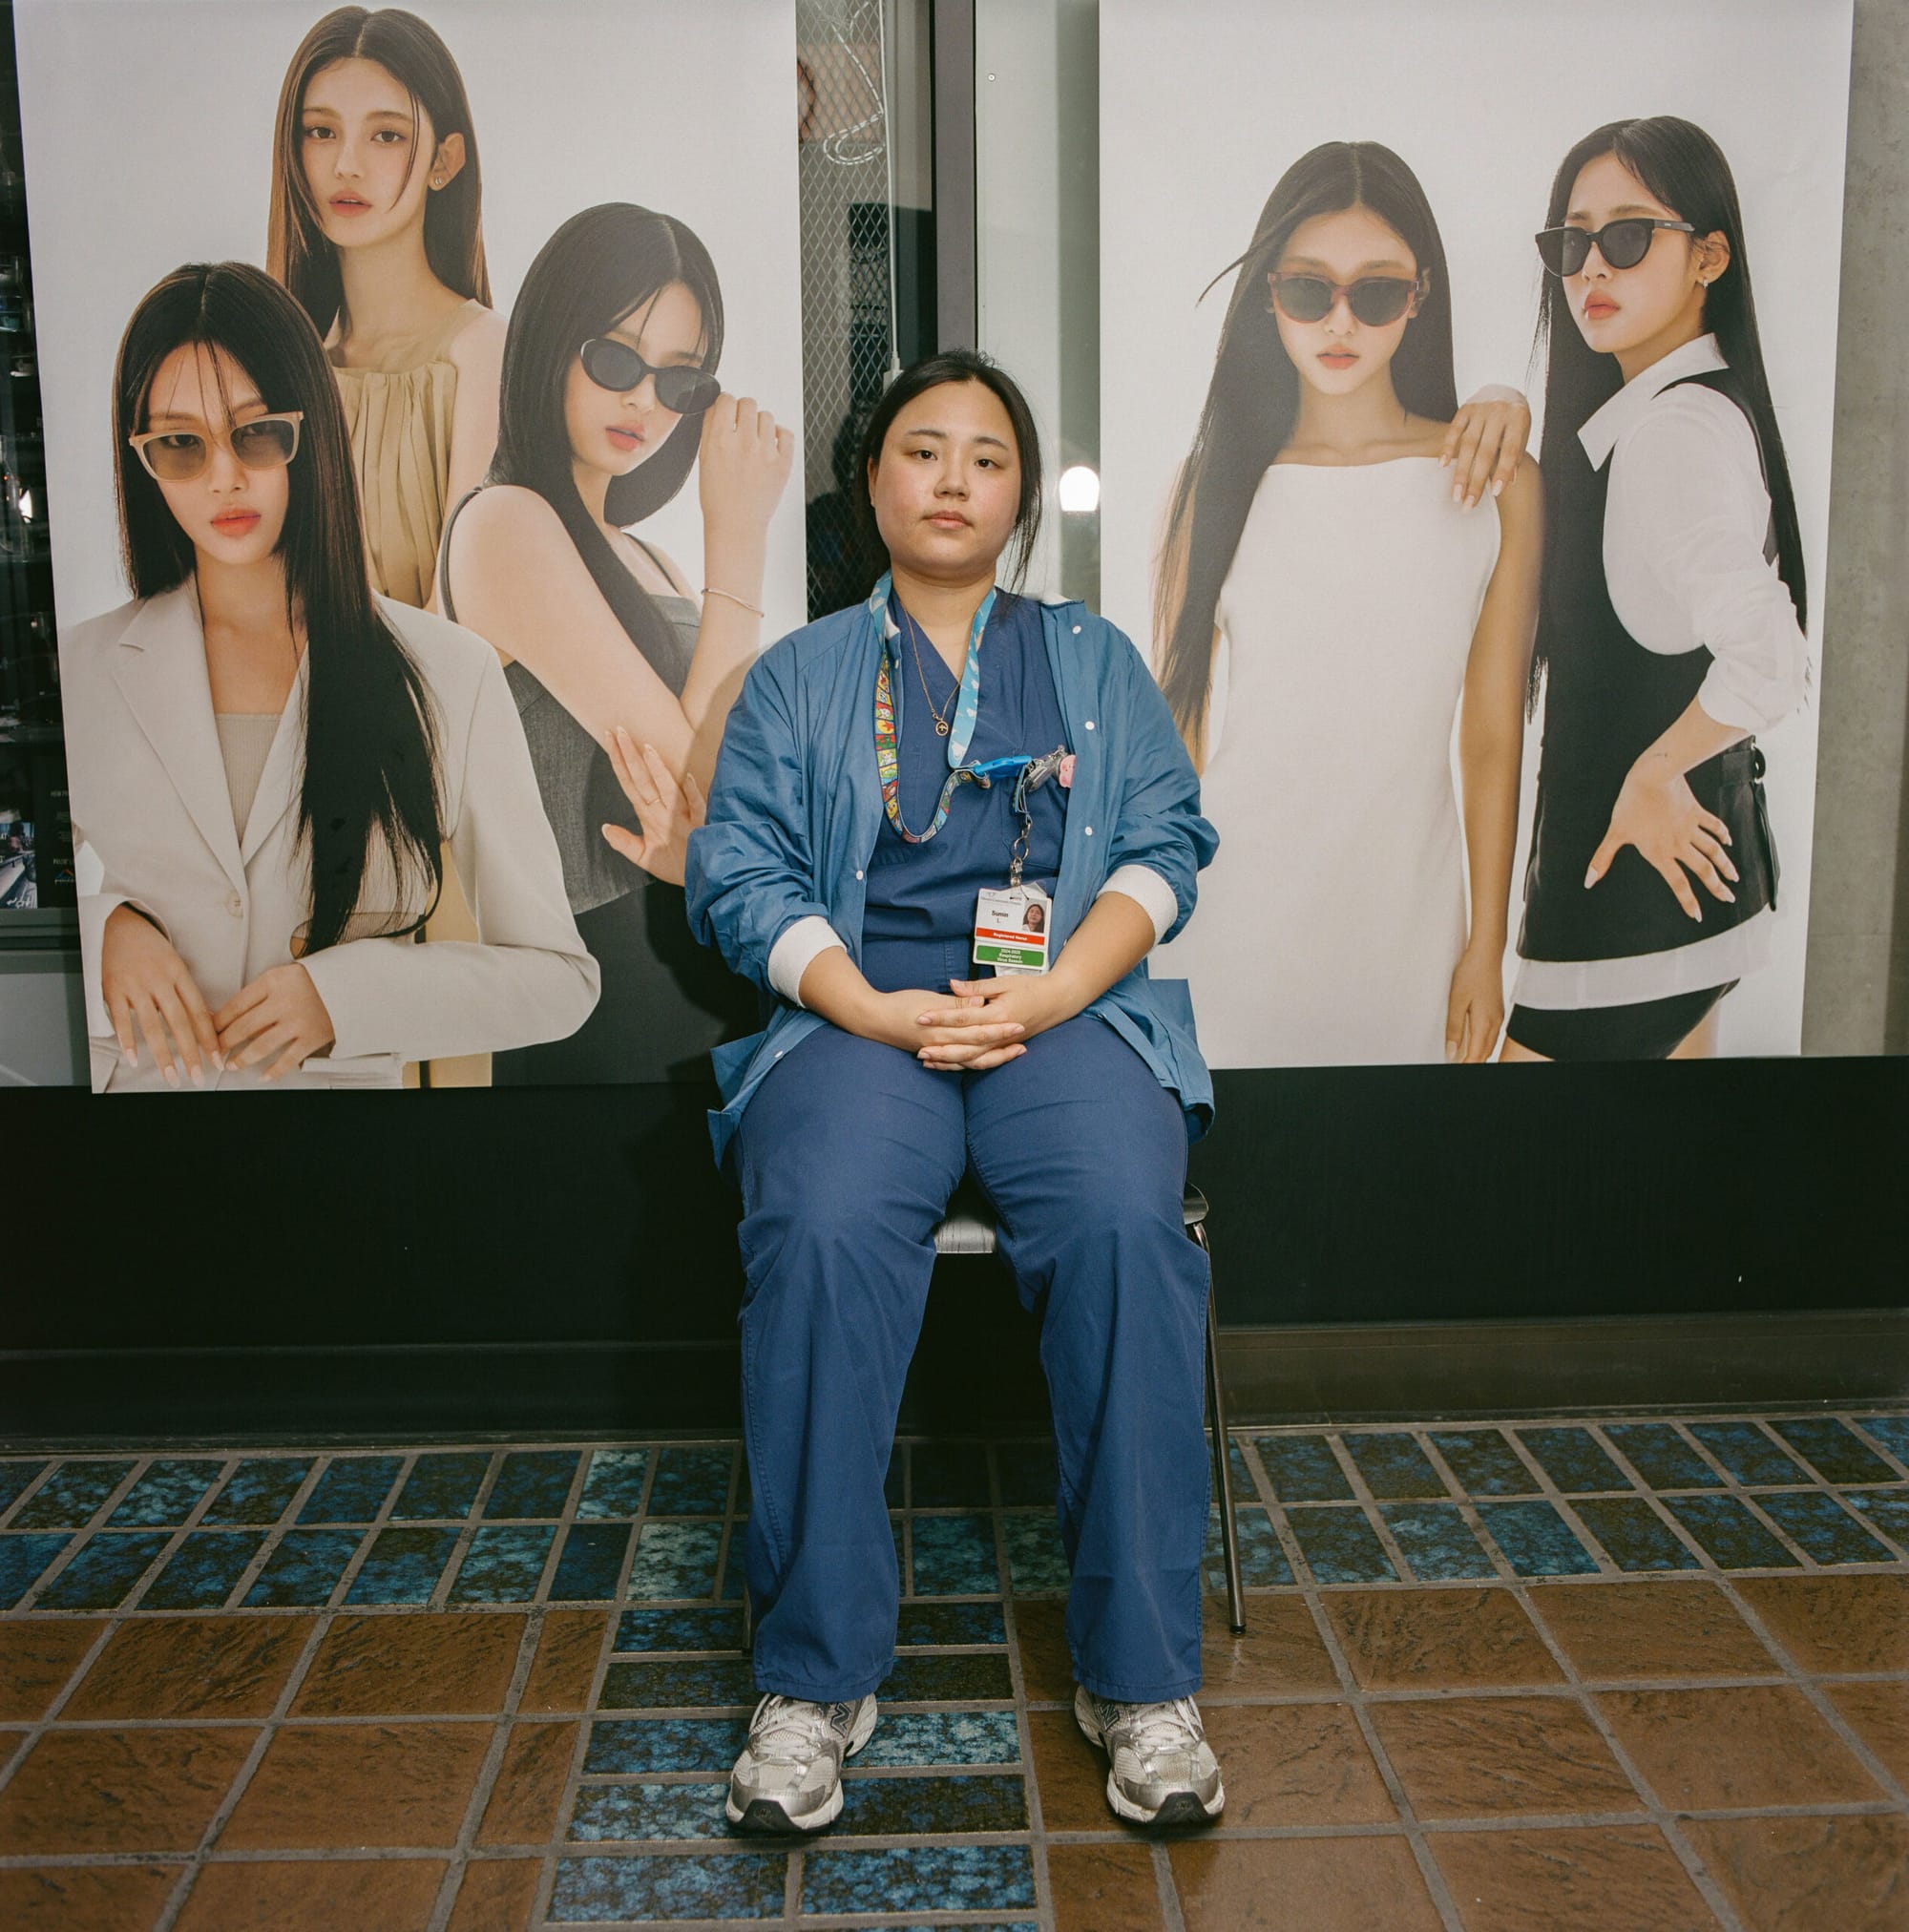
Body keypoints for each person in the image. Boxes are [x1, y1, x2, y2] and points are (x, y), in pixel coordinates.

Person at [686, 349, 1225, 1833]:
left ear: (1021, 497)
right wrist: (855, 996)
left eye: (987, 457)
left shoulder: (1094, 659)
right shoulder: (799, 676)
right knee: (816, 1228)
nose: (952, 480)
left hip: (1065, 1020)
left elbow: (1165, 847)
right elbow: (733, 873)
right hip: (864, 1027)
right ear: (874, 483)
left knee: (1125, 1225)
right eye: (922, 451)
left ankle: (1139, 1680)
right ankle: (813, 1679)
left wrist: (1057, 989)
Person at [66, 262, 598, 1092]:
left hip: (346, 1154)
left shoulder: (447, 672)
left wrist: (348, 997)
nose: (223, 477)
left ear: (309, 432)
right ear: (142, 459)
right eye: (180, 444)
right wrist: (100, 935)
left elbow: (559, 979)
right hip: (131, 1144)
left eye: (256, 433)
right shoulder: (83, 671)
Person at [1151, 141, 1541, 1068]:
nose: (1338, 322)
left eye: (1371, 293)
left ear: (1417, 295)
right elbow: (1179, 739)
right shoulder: (1209, 487)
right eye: (1305, 290)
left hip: (1407, 923)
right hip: (1229, 918)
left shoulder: (1493, 481)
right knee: (1232, 1196)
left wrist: (1486, 946)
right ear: (1268, 295)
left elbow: (1491, 738)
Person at [439, 202, 792, 1083]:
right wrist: (739, 540)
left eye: (679, 379)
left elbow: (743, 807)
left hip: (708, 977)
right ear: (553, 343)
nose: (644, 399)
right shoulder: (504, 525)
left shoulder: (650, 559)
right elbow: (704, 787)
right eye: (614, 358)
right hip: (602, 999)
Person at [1503, 117, 1807, 1061]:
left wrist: (1650, 770)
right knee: (1650, 1200)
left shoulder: (1670, 434)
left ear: (1708, 256)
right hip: (1671, 920)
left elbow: (1770, 657)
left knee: (1519, 1195)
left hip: (1620, 934)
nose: (1591, 266)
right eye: (1569, 241)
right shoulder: (1679, 413)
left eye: (1627, 236)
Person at [267, 5, 505, 609]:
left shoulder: (483, 352)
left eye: (387, 135)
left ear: (444, 162)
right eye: (321, 131)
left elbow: (466, 615)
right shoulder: (286, 369)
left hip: (431, 700)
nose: (346, 164)